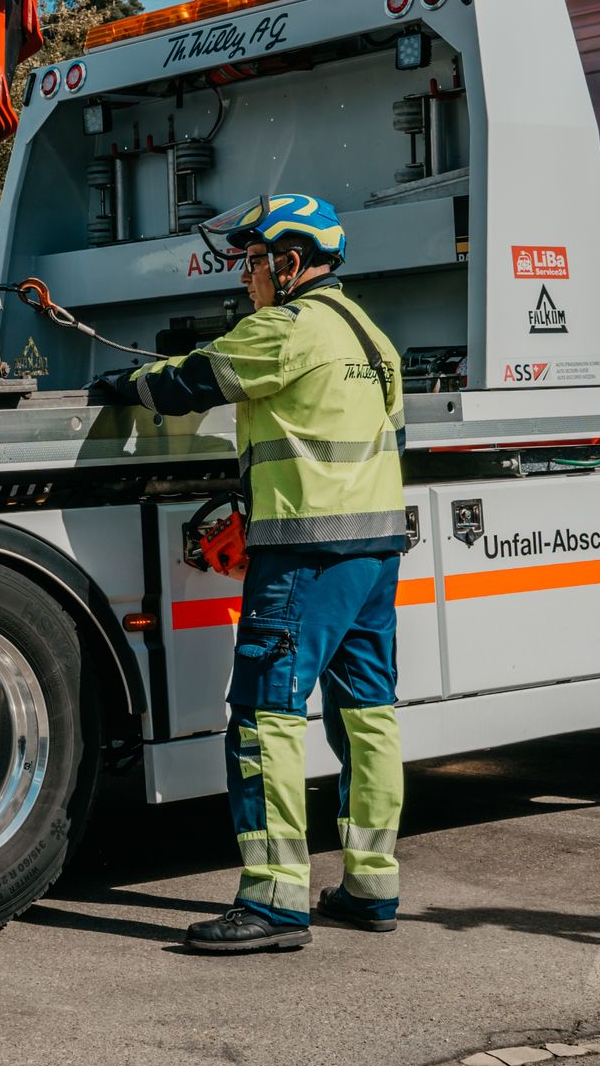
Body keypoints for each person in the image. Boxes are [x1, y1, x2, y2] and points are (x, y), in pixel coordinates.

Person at [89, 192, 407, 954]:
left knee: (266, 716)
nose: (248, 277)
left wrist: (122, 385)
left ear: (291, 262)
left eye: (255, 261)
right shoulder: (374, 339)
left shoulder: (286, 328)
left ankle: (273, 902)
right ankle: (371, 882)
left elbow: (191, 382)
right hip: (375, 552)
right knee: (368, 715)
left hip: (302, 553)